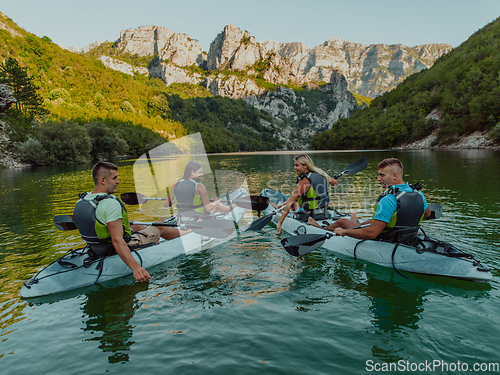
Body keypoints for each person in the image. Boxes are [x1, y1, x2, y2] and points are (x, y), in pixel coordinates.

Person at [73, 162, 188, 283]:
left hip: (96, 247)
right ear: (103, 180)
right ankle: (187, 232)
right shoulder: (110, 203)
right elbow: (117, 240)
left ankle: (148, 229)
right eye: (114, 178)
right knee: (160, 227)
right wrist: (136, 267)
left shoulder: (83, 200)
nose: (118, 181)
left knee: (131, 223)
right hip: (116, 247)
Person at [317, 158, 431, 242]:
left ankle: (319, 229)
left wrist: (344, 232)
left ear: (394, 176)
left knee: (342, 222)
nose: (378, 179)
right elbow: (427, 214)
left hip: (387, 240)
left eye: (382, 175)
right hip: (408, 238)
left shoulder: (389, 199)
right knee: (366, 222)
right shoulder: (418, 193)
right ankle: (355, 220)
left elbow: (371, 233)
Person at [275, 154, 339, 235]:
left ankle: (279, 208)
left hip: (308, 216)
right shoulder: (322, 175)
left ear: (305, 166)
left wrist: (279, 223)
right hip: (324, 213)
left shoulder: (303, 182)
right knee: (297, 200)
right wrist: (326, 179)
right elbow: (335, 183)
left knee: (294, 202)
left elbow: (289, 204)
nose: (295, 168)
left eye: (297, 165)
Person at [163, 161, 236, 218]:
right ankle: (230, 208)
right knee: (214, 204)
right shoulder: (200, 186)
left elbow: (166, 204)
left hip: (182, 216)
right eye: (200, 172)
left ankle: (224, 210)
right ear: (192, 172)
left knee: (212, 204)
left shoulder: (176, 185)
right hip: (198, 217)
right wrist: (217, 201)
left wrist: (175, 200)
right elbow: (208, 208)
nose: (201, 174)